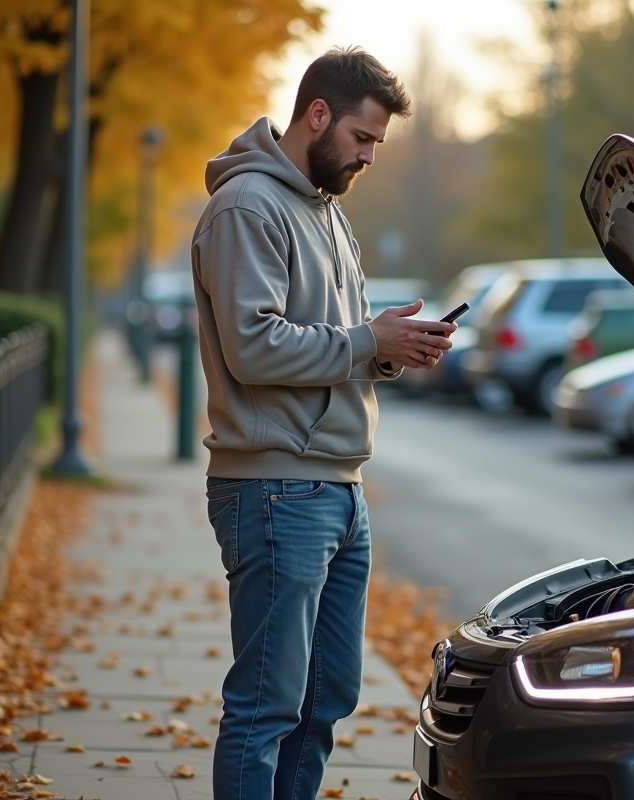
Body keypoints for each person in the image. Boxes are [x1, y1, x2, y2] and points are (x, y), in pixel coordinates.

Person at [190, 47, 454, 800]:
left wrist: (392, 346)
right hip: (274, 487)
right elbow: (253, 346)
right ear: (317, 115)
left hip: (337, 489)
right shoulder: (248, 206)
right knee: (266, 707)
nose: (369, 156)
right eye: (363, 138)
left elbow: (335, 343)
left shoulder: (328, 214)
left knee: (325, 700)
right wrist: (368, 341)